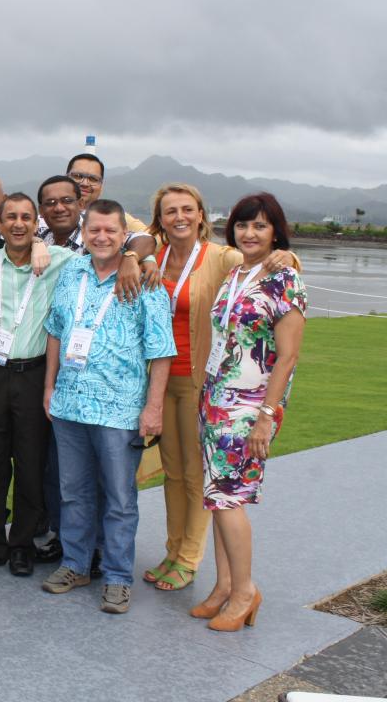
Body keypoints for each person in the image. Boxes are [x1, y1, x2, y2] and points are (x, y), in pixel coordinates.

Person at [140, 184, 295, 593]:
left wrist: (288, 255)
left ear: (201, 214)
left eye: (187, 209)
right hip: (159, 378)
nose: (179, 217)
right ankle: (173, 550)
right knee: (172, 472)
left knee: (196, 474)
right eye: (170, 210)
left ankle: (190, 558)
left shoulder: (220, 256)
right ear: (160, 218)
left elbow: (264, 261)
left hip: (201, 379)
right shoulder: (152, 257)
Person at [41, 199, 175, 615]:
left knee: (119, 498)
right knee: (73, 493)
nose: (101, 238)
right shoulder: (72, 273)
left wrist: (153, 408)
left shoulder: (145, 281)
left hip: (119, 411)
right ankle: (75, 564)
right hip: (69, 405)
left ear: (123, 236)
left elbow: (162, 351)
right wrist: (48, 388)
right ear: (86, 231)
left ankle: (117, 577)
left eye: (110, 232)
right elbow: (56, 334)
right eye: (94, 230)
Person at [192, 193, 306, 631]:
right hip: (216, 399)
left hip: (250, 406)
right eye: (242, 225)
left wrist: (267, 415)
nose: (249, 233)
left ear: (275, 230)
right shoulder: (236, 273)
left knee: (228, 497)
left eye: (259, 225)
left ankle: (244, 593)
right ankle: (223, 586)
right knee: (217, 496)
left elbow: (288, 356)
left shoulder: (285, 280)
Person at [0, 193, 75, 577]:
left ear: (36, 224)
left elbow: (111, 242)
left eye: (26, 217)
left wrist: (135, 257)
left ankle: (22, 544)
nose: (18, 224)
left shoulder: (59, 261)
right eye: (10, 217)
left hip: (33, 374)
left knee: (30, 465)